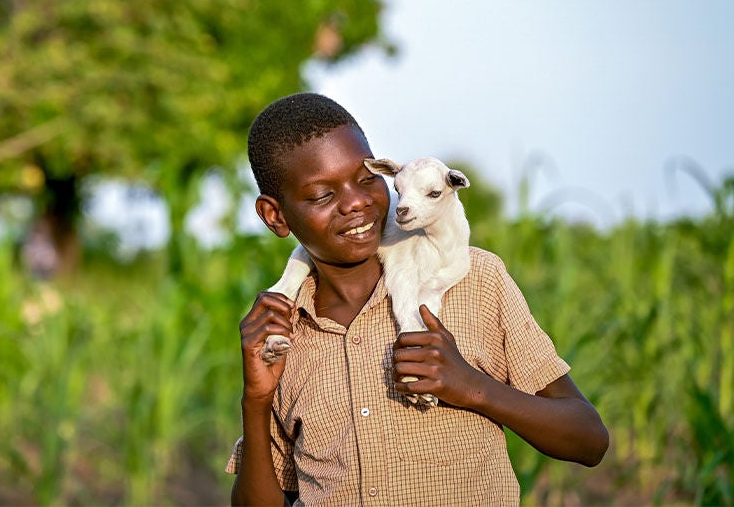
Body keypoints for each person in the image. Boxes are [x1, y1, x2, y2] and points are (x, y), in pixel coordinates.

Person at [227, 92, 609, 506]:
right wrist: (257, 399)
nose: (356, 201)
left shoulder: (475, 280)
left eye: (367, 177)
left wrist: (472, 387)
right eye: (323, 195)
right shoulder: (281, 334)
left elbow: (588, 440)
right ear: (275, 216)